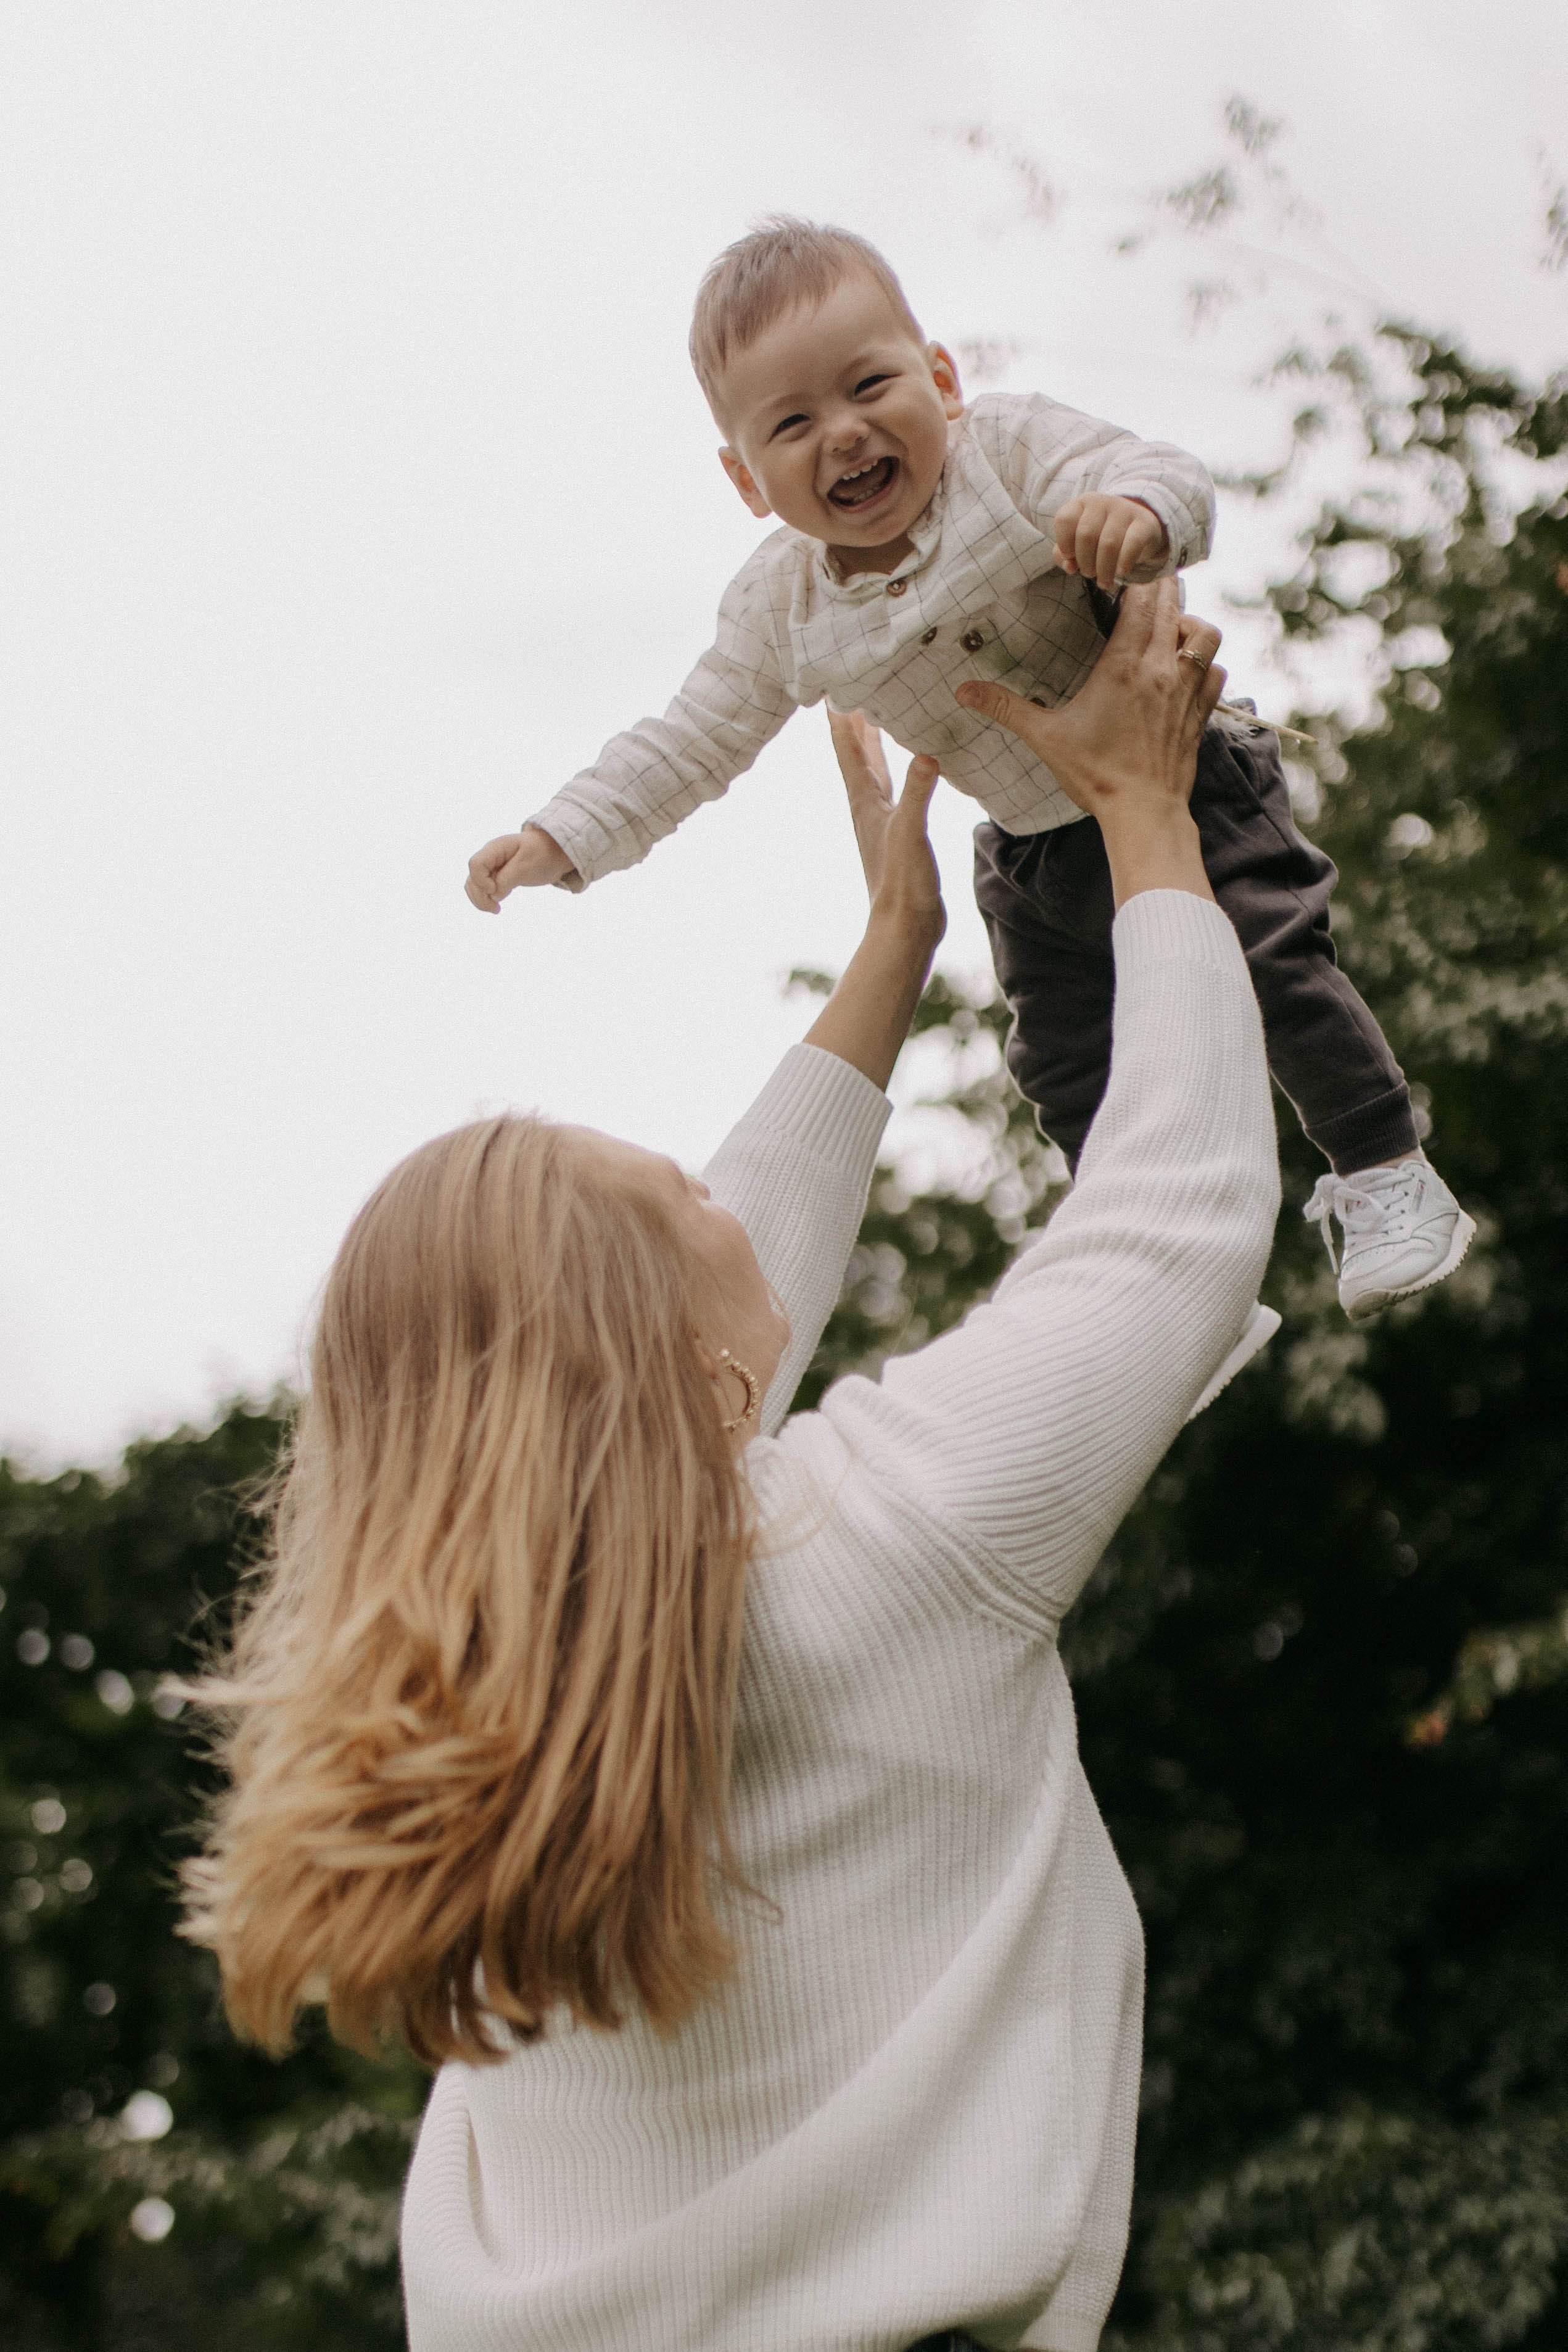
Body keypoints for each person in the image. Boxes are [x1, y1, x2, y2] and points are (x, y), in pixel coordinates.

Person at [184, 582, 1275, 2351]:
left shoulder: (457, 1701)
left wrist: (893, 940)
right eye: (679, 1196)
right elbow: (1171, 1221)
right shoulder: (881, 1537)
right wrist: (1146, 814)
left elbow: (678, 1344)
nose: (722, 1191)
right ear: (659, 1350)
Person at [464, 216, 1473, 1323]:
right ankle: (1163, 1286)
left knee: (1266, 957)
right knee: (1061, 1064)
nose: (843, 435)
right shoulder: (777, 607)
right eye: (792, 423)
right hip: (1027, 853)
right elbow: (692, 736)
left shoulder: (1008, 450)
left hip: (1183, 772)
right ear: (746, 481)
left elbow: (1165, 473)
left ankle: (1383, 1169)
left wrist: (1134, 517)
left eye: (867, 386)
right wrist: (567, 836)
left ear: (939, 378)